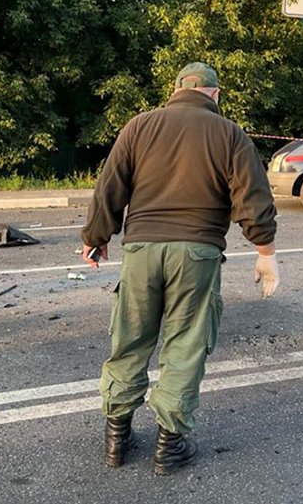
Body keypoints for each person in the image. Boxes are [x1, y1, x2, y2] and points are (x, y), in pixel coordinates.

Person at [80, 61, 279, 474]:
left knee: (130, 339)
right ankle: (168, 447)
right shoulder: (229, 134)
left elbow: (109, 186)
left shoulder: (139, 126)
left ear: (175, 90)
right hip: (197, 251)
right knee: (185, 345)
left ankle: (116, 439)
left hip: (141, 251)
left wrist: (96, 238)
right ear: (215, 94)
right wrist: (265, 251)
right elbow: (253, 197)